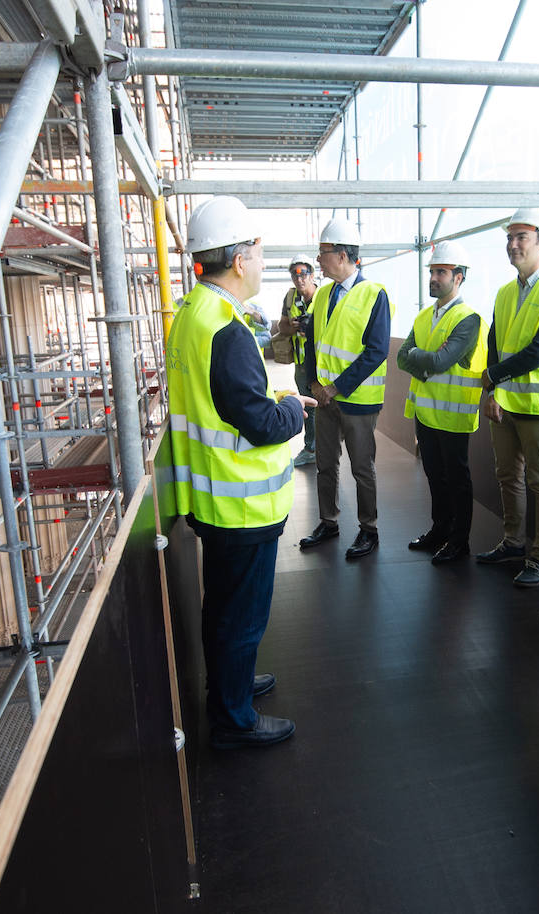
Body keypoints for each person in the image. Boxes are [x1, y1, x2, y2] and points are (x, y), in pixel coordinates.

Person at [165, 196, 315, 750]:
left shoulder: (192, 314)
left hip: (211, 495)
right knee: (242, 615)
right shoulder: (226, 327)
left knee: (224, 605)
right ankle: (234, 719)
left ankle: (232, 685)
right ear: (237, 258)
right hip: (242, 503)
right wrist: (293, 407)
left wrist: (269, 396)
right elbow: (260, 423)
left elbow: (221, 400)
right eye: (256, 249)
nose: (261, 259)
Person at [478, 207, 539, 587]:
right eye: (509, 237)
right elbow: (495, 343)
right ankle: (513, 543)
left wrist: (493, 377)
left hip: (537, 407)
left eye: (521, 237)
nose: (513, 244)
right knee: (508, 477)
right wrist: (493, 390)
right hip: (504, 402)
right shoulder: (505, 292)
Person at [298, 217, 393, 560]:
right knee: (325, 463)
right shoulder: (323, 294)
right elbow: (313, 342)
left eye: (322, 253)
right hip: (324, 397)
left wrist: (335, 388)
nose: (318, 260)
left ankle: (369, 529)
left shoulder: (374, 295)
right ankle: (329, 521)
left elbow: (377, 351)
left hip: (357, 400)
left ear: (341, 255)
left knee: (361, 467)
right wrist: (312, 381)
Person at [397, 240, 487, 565]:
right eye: (433, 271)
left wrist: (424, 357)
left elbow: (439, 362)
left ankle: (459, 541)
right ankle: (439, 530)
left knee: (457, 479)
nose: (434, 277)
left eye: (441, 272)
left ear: (459, 277)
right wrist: (426, 357)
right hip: (425, 411)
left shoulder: (468, 319)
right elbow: (401, 357)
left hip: (453, 415)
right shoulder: (424, 317)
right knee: (435, 475)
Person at [280, 257, 319, 466]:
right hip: (302, 363)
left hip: (322, 362)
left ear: (312, 275)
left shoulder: (324, 296)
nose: (299, 278)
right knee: (310, 406)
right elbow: (282, 327)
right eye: (294, 274)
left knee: (325, 406)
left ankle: (320, 447)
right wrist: (295, 327)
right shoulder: (290, 297)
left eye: (303, 274)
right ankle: (311, 447)